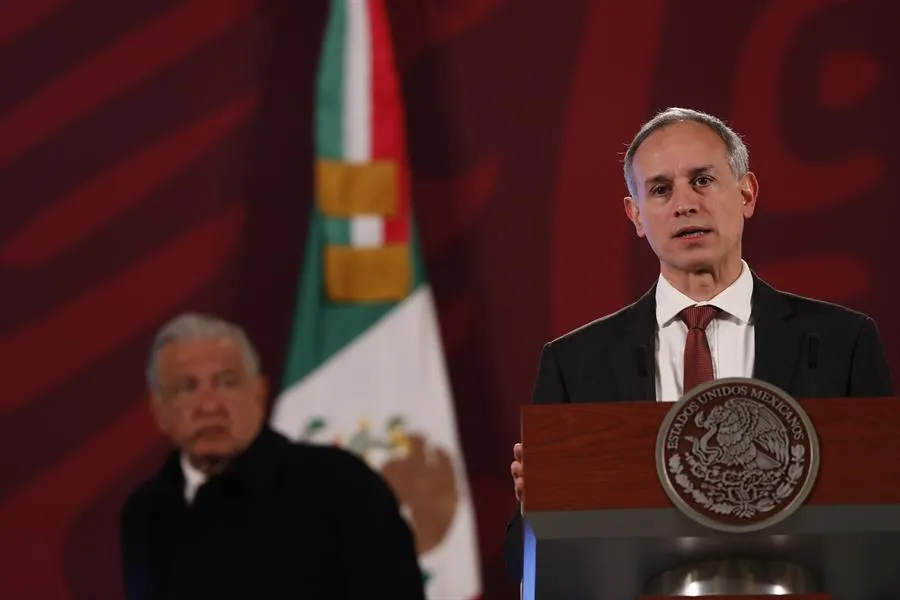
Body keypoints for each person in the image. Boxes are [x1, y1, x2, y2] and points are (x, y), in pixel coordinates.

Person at [503, 107, 894, 581]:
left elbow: (883, 518)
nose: (684, 204)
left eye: (703, 180)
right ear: (637, 215)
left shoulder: (842, 341)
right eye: (661, 189)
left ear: (746, 192)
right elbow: (523, 564)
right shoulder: (576, 362)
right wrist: (538, 508)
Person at [119, 313, 426, 600]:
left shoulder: (343, 487)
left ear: (259, 393)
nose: (209, 405)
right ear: (159, 411)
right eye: (187, 388)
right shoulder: (145, 511)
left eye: (227, 383)